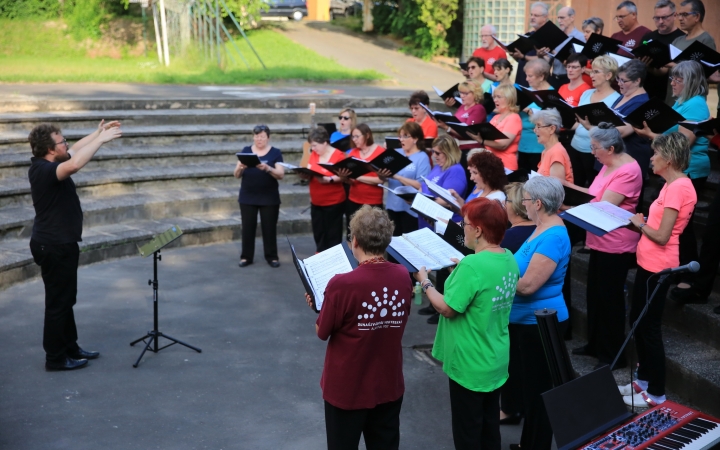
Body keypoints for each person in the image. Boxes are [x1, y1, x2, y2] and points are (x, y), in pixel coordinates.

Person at [414, 198, 520, 450]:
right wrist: (459, 274)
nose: (463, 228)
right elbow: (480, 291)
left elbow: (447, 308)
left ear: (479, 230)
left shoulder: (473, 265)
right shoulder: (508, 257)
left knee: (467, 432)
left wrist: (425, 282)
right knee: (488, 427)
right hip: (494, 356)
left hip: (470, 360)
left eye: (466, 224)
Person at [306, 205, 412, 450]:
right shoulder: (402, 275)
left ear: (354, 241)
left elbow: (323, 332)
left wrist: (321, 308)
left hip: (348, 388)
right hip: (387, 381)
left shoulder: (342, 284)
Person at [28, 120, 122, 371]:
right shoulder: (43, 171)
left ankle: (70, 346)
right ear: (50, 149)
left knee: (66, 300)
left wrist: (97, 132)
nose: (66, 144)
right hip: (53, 246)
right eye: (61, 142)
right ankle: (55, 358)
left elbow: (77, 149)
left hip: (61, 244)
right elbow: (76, 162)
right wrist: (102, 140)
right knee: (58, 304)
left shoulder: (52, 160)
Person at [622, 133, 697, 407]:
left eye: (655, 154)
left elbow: (664, 235)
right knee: (638, 322)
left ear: (669, 158)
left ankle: (656, 392)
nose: (650, 158)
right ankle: (642, 380)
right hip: (647, 263)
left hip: (659, 266)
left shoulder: (679, 188)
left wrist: (639, 224)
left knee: (649, 327)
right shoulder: (670, 185)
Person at [633, 60, 711, 300]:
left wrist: (650, 135)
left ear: (692, 82)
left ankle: (687, 275)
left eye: (679, 79)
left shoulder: (696, 105)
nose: (673, 82)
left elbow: (682, 143)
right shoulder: (682, 102)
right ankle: (679, 270)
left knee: (682, 227)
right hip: (672, 169)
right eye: (672, 78)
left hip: (689, 170)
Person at [566, 124, 642, 370]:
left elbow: (602, 207)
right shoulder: (608, 163)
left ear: (611, 148)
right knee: (595, 295)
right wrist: (562, 189)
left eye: (595, 148)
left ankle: (612, 355)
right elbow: (592, 195)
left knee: (610, 301)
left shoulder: (629, 169)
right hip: (598, 239)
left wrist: (566, 206)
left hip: (616, 242)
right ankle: (595, 344)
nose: (592, 152)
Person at [510, 176, 571, 450]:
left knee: (539, 394)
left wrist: (492, 279)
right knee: (530, 391)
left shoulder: (554, 235)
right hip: (526, 322)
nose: (522, 205)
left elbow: (528, 285)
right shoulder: (541, 227)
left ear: (537, 203)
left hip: (540, 324)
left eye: (525, 200)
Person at [577, 60, 651, 209]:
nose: (620, 84)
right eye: (618, 79)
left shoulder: (642, 102)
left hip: (628, 159)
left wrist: (590, 127)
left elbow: (621, 131)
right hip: (612, 157)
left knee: (615, 207)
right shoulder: (624, 95)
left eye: (624, 80)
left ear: (638, 80)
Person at [417, 135, 468, 325]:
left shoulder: (455, 170)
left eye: (437, 152)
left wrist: (422, 200)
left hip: (448, 224)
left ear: (448, 152)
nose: (434, 156)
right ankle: (434, 303)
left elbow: (448, 199)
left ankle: (444, 305)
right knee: (437, 264)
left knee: (446, 266)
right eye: (432, 152)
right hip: (432, 223)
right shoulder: (438, 167)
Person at [499, 182, 536, 425]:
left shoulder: (511, 236)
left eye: (507, 201)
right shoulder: (538, 229)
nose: (503, 205)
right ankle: (519, 406)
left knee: (513, 361)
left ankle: (511, 408)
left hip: (517, 309)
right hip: (536, 311)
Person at [234, 125, 285, 268]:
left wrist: (268, 168)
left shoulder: (275, 153)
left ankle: (272, 256)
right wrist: (240, 167)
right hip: (248, 196)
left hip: (269, 197)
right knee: (247, 227)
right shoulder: (246, 151)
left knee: (269, 228)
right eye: (256, 136)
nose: (259, 139)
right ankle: (246, 256)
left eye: (262, 136)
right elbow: (236, 175)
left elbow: (280, 174)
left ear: (268, 137)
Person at [571, 55, 621, 187]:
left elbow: (613, 129)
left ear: (608, 75)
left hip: (595, 151)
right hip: (575, 145)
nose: (591, 75)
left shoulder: (616, 99)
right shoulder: (587, 93)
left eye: (596, 72)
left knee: (592, 188)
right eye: (591, 71)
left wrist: (589, 127)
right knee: (576, 184)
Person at [378, 122, 432, 235]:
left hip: (409, 208)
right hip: (392, 205)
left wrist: (396, 176)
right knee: (392, 242)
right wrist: (382, 174)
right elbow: (384, 178)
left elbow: (421, 185)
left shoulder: (422, 157)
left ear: (415, 139)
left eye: (405, 136)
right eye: (400, 136)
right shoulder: (396, 153)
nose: (401, 139)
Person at [303, 128, 347, 253]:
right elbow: (310, 168)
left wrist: (330, 179)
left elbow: (344, 175)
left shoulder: (338, 155)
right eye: (312, 146)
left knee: (332, 235)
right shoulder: (314, 154)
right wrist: (305, 174)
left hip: (333, 202)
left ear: (325, 142)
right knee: (319, 233)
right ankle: (320, 258)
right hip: (316, 201)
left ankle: (333, 261)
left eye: (315, 145)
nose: (313, 149)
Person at [666, 0, 716, 105]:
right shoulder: (677, 40)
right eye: (679, 15)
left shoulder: (706, 40)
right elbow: (665, 70)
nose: (679, 18)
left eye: (684, 14)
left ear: (697, 17)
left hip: (690, 102)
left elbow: (706, 74)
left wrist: (672, 65)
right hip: (672, 100)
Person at [341, 124, 386, 238]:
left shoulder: (380, 152)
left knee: (372, 235)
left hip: (373, 200)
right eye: (352, 137)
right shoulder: (352, 153)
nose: (354, 139)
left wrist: (358, 177)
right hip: (354, 199)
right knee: (353, 233)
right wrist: (344, 177)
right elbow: (351, 181)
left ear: (367, 135)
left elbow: (380, 180)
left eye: (357, 136)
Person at [640, 0, 686, 103]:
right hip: (647, 92)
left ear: (675, 15)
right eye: (657, 18)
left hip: (670, 95)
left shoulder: (682, 39)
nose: (660, 21)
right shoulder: (648, 37)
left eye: (665, 17)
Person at [518, 59, 554, 172]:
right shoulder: (525, 91)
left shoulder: (551, 95)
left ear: (541, 76)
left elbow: (550, 120)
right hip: (522, 143)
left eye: (530, 76)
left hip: (539, 146)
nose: (526, 79)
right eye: (526, 75)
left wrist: (528, 110)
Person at [538, 6, 586, 87]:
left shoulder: (581, 37)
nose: (559, 21)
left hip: (569, 78)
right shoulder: (555, 36)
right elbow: (549, 60)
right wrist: (541, 55)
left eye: (562, 18)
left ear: (572, 18)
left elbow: (582, 61)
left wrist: (560, 56)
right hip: (554, 77)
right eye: (558, 18)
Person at [439, 81, 487, 152]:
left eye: (466, 93)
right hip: (457, 147)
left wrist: (447, 127)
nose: (461, 96)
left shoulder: (478, 109)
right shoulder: (462, 106)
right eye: (461, 92)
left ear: (475, 94)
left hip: (469, 149)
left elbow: (469, 133)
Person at [510, 2, 549, 88]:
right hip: (521, 79)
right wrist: (514, 54)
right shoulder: (528, 35)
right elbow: (520, 59)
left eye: (536, 15)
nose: (532, 17)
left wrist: (523, 56)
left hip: (535, 84)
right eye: (531, 14)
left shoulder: (548, 36)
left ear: (544, 17)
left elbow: (546, 61)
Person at [531, 109, 574, 183]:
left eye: (538, 126)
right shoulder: (546, 151)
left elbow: (556, 188)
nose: (535, 130)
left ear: (552, 129)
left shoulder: (556, 153)